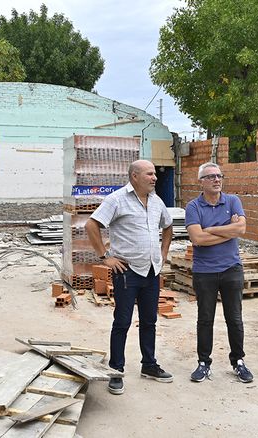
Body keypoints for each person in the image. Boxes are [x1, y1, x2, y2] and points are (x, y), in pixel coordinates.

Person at [85, 159, 174, 395]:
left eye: (155, 174)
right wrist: (105, 257)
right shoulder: (116, 199)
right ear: (134, 176)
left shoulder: (156, 202)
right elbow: (91, 225)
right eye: (150, 174)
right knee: (122, 322)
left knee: (149, 322)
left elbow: (168, 226)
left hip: (152, 270)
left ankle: (149, 365)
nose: (155, 178)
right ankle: (116, 370)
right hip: (127, 271)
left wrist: (163, 253)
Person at [185, 162, 253, 384]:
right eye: (211, 176)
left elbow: (241, 229)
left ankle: (238, 362)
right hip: (204, 271)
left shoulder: (232, 201)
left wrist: (211, 230)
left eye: (219, 176)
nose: (216, 179)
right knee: (205, 319)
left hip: (231, 269)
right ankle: (204, 363)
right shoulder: (193, 207)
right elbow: (197, 239)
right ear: (201, 181)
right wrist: (228, 231)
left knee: (234, 318)